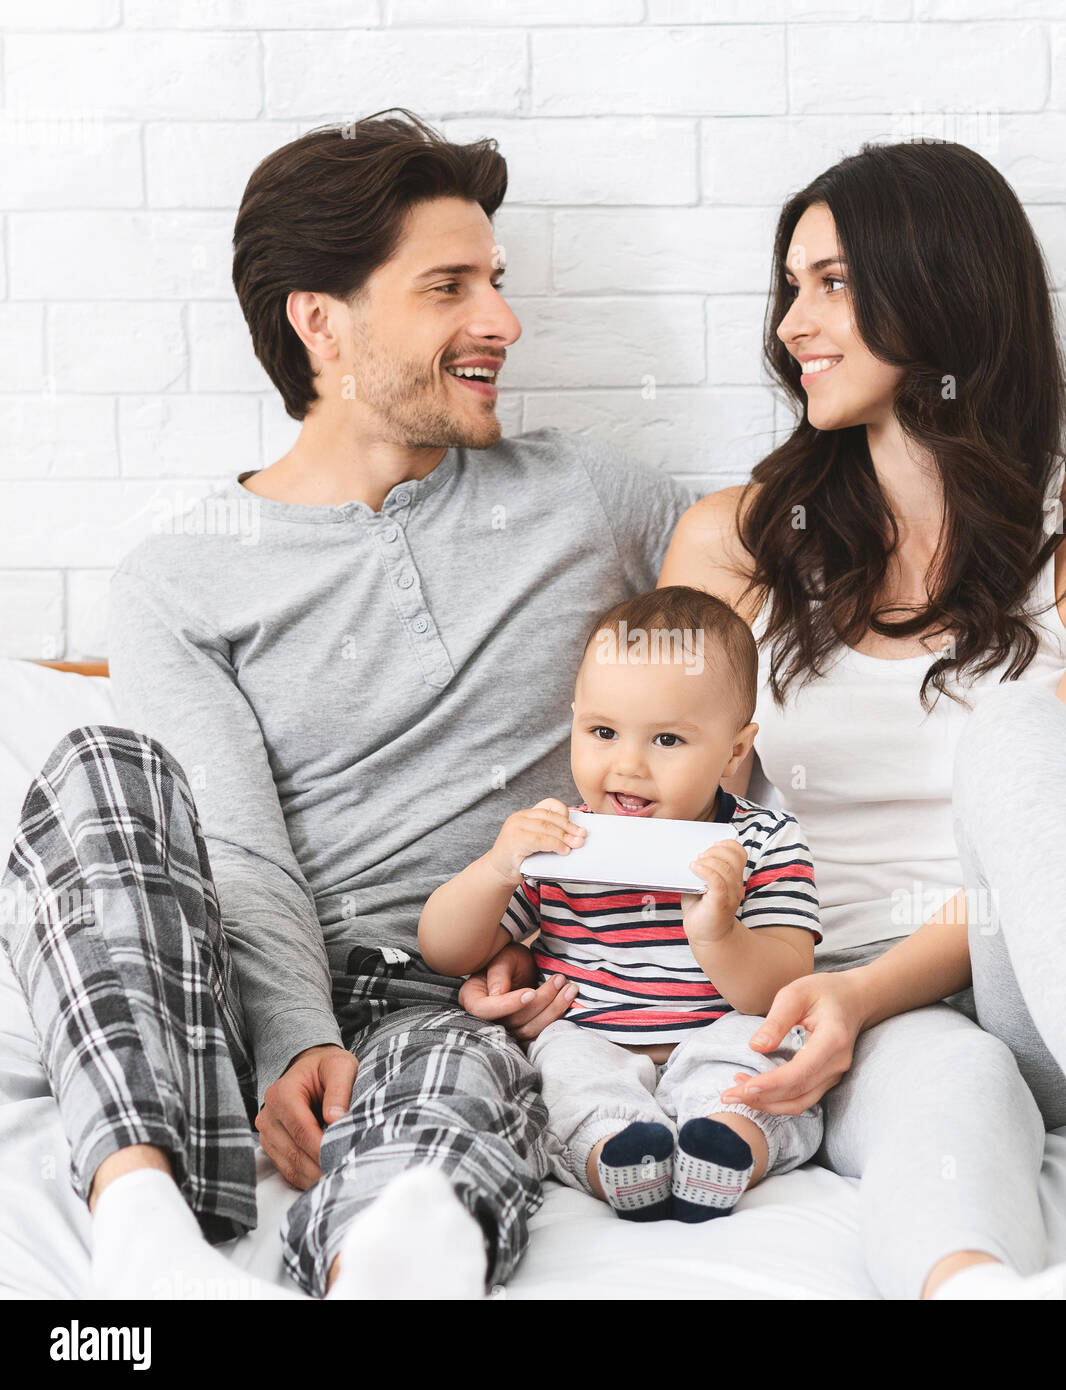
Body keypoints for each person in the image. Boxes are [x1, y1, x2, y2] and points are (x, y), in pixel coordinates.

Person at [0, 110, 691, 1300]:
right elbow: (239, 851)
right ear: (320, 321)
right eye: (449, 288)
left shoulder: (590, 496)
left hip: (456, 994)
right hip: (226, 994)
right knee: (102, 768)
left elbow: (779, 640)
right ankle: (142, 1226)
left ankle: (390, 1261)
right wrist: (293, 1035)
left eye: (498, 281)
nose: (503, 322)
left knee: (440, 1105)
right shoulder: (180, 580)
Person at [658, 139, 1066, 1300]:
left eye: (832, 282)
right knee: (944, 1090)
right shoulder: (731, 544)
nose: (793, 323)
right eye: (790, 287)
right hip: (850, 996)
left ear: (938, 288)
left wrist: (864, 988)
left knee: (1025, 737)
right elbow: (657, 778)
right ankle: (978, 1287)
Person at [420, 587, 822, 1222]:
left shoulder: (760, 841)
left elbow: (781, 988)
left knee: (759, 1056)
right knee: (566, 1071)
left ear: (735, 749)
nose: (628, 764)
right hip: (596, 1035)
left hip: (717, 1030)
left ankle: (726, 1145)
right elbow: (445, 950)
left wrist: (720, 932)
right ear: (574, 719)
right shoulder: (562, 840)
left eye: (666, 739)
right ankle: (619, 1156)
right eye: (602, 731)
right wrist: (498, 868)